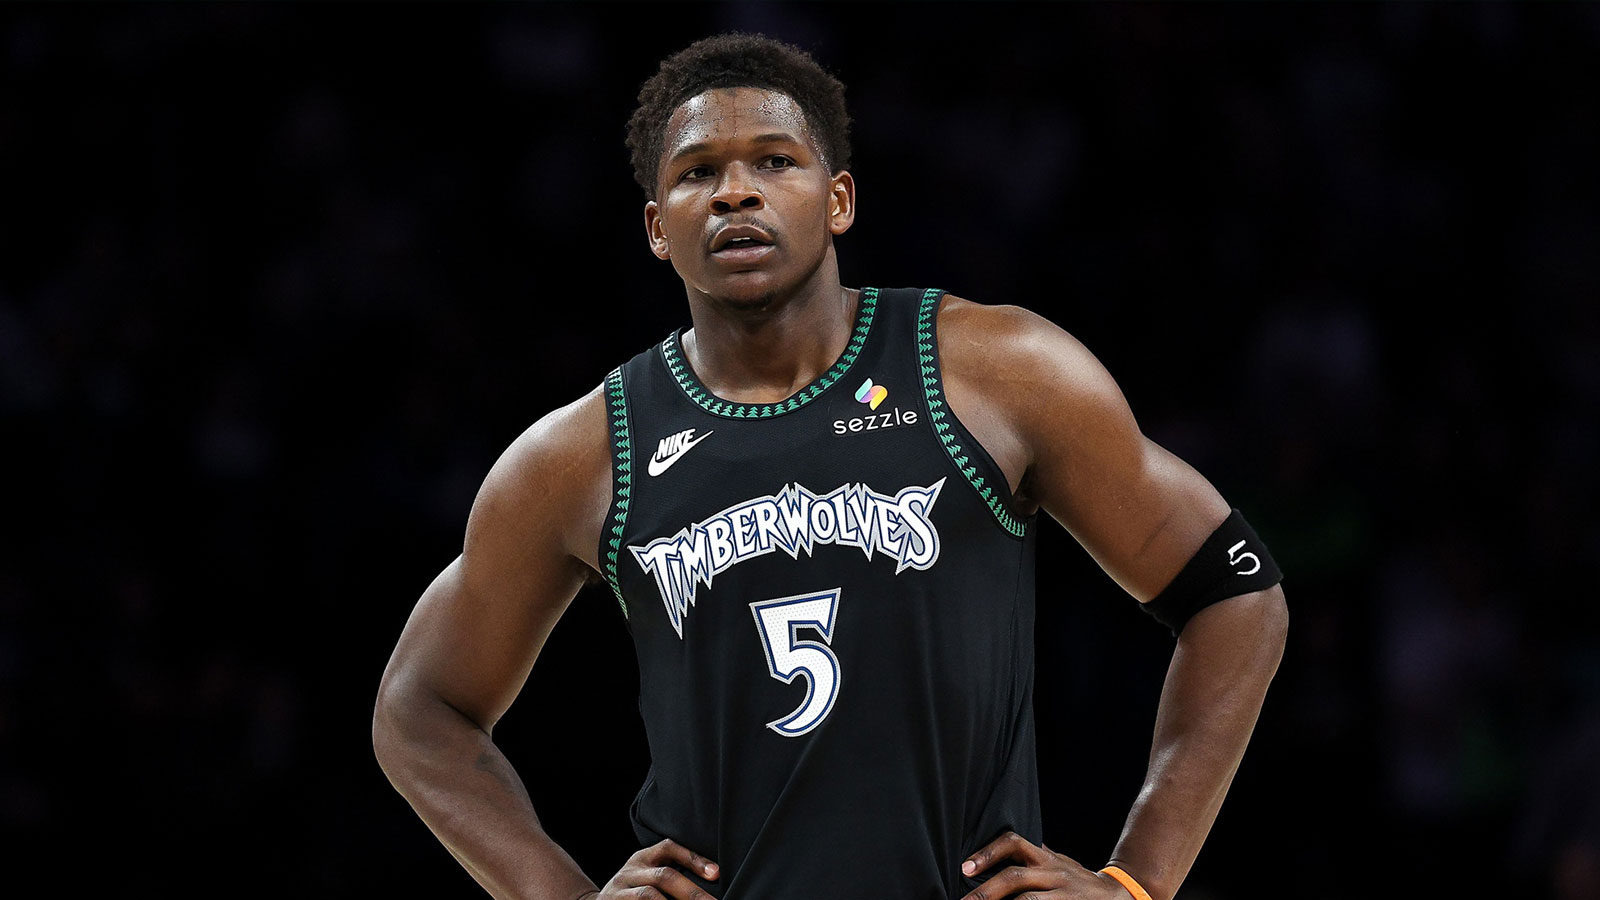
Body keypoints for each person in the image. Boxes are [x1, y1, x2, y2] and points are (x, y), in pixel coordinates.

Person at [373, 32, 1288, 900]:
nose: (737, 193)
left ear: (838, 199)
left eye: (774, 161)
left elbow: (1235, 592)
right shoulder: (581, 452)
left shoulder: (996, 369)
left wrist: (1136, 879)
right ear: (658, 226)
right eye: (699, 172)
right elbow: (418, 709)